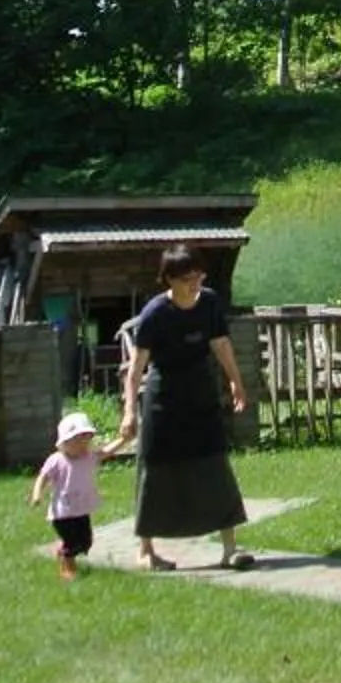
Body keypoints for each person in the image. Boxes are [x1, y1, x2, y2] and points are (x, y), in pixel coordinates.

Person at [115, 244, 253, 570]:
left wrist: (236, 381)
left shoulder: (210, 303)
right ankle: (146, 552)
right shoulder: (155, 314)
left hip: (201, 394)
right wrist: (130, 412)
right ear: (169, 280)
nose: (195, 283)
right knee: (155, 470)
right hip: (163, 399)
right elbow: (136, 369)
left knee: (214, 465)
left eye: (199, 276)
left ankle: (229, 549)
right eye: (188, 278)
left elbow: (220, 343)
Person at [30, 410, 106, 581]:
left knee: (86, 542)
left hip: (81, 509)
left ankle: (63, 549)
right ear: (65, 442)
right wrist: (37, 494)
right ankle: (67, 568)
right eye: (78, 440)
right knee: (72, 543)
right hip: (62, 513)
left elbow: (107, 451)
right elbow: (43, 477)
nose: (83, 444)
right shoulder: (57, 460)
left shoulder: (88, 457)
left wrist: (125, 439)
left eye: (86, 439)